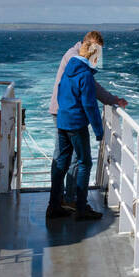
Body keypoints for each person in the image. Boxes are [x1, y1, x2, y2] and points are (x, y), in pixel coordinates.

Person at [47, 31, 127, 209]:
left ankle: (59, 202)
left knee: (64, 158)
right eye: (99, 52)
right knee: (75, 160)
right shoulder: (75, 59)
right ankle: (71, 200)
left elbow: (87, 87)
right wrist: (99, 130)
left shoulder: (75, 61)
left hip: (64, 113)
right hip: (69, 114)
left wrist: (112, 99)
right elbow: (89, 93)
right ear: (92, 48)